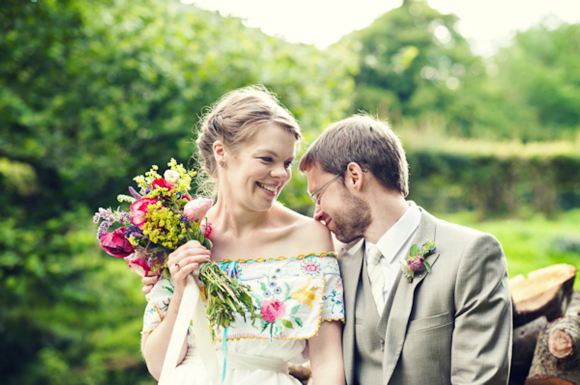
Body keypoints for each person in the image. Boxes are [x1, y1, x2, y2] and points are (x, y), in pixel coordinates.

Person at [140, 86, 346, 385]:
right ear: (222, 152)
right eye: (266, 159)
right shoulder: (177, 236)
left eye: (287, 163)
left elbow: (327, 359)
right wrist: (182, 290)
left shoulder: (310, 238)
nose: (281, 174)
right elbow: (160, 367)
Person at [298, 114, 513, 385]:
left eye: (319, 196)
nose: (317, 213)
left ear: (354, 177)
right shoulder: (338, 265)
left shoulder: (471, 254)